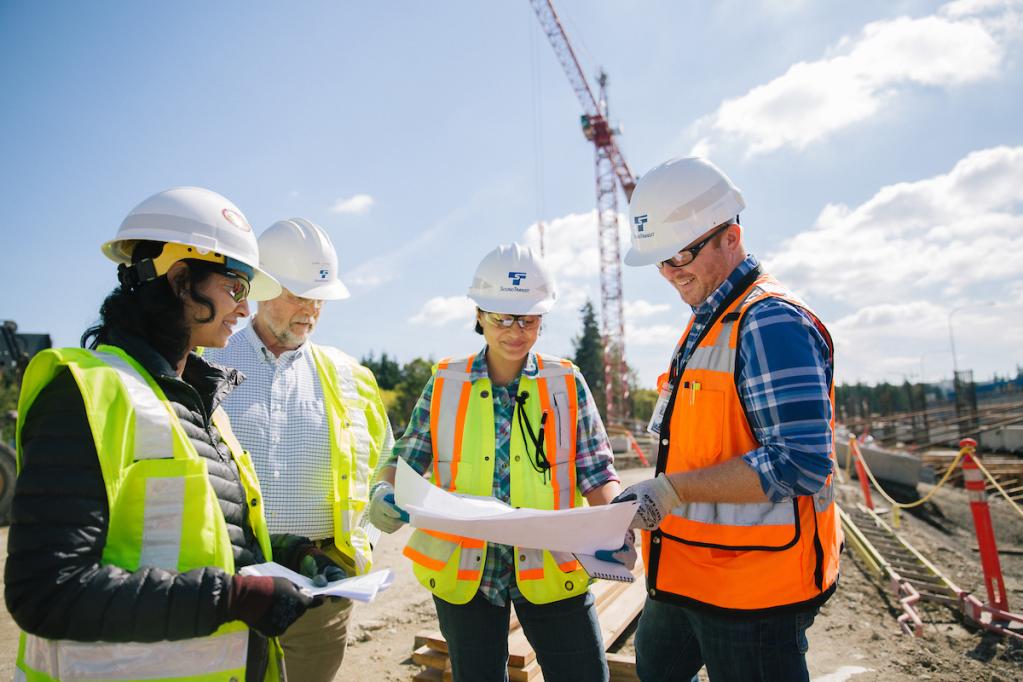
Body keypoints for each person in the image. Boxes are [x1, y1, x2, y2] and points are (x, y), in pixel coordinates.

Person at [5, 187, 339, 682]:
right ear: (183, 280)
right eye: (237, 287)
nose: (245, 310)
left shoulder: (196, 400)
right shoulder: (84, 396)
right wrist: (233, 598)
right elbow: (48, 591)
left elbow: (207, 532)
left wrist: (291, 553)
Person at [616, 157, 842, 682]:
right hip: (686, 573)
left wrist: (670, 491)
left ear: (731, 237)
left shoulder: (769, 321)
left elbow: (801, 464)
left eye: (681, 254)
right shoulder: (708, 322)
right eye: (660, 261)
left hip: (752, 592)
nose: (671, 273)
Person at [368, 243, 626, 682]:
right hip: (466, 571)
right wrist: (383, 491)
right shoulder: (445, 381)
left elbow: (596, 470)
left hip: (551, 565)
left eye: (527, 318)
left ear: (542, 320)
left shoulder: (566, 381)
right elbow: (407, 455)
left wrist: (617, 522)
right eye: (501, 317)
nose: (514, 330)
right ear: (479, 315)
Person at [205, 217, 392, 682]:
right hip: (228, 579)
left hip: (319, 589)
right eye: (299, 295)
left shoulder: (349, 376)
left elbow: (383, 464)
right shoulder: (206, 362)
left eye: (320, 298)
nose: (311, 309)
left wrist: (368, 534)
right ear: (262, 288)